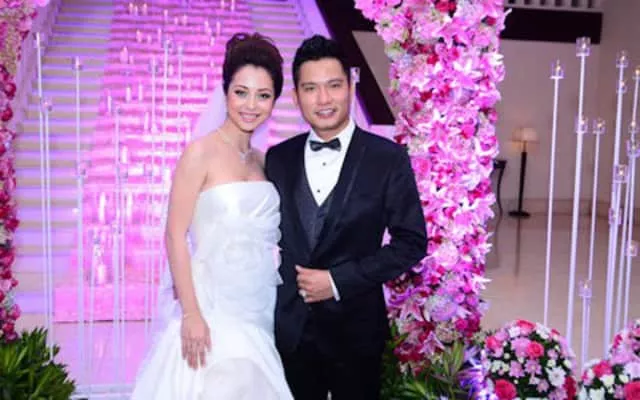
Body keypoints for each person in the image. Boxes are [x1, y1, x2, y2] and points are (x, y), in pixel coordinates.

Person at [131, 32, 294, 400]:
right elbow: (174, 236)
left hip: (258, 303)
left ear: (274, 100)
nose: (251, 105)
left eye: (263, 95)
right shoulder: (199, 153)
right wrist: (191, 313)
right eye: (241, 92)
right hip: (211, 305)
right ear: (225, 92)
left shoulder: (263, 161)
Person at [265, 35, 428, 400]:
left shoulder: (387, 158)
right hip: (291, 331)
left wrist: (338, 281)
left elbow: (411, 243)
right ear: (296, 97)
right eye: (311, 88)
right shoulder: (278, 158)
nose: (323, 99)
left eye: (334, 85)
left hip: (356, 333)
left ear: (351, 88)